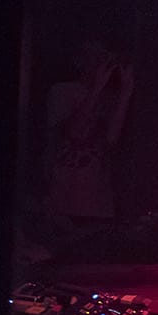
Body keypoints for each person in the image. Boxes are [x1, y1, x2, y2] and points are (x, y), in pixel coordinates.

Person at [44, 37, 134, 223]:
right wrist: (96, 89)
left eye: (104, 58)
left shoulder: (109, 98)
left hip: (98, 199)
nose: (100, 63)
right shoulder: (61, 91)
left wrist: (126, 92)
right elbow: (73, 132)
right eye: (94, 57)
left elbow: (111, 139)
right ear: (79, 62)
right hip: (65, 194)